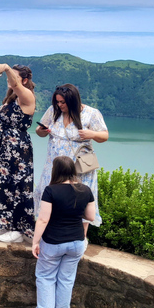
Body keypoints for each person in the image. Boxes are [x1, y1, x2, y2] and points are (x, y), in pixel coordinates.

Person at [34, 84, 108, 238]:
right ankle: (49, 234)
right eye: (58, 102)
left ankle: (81, 238)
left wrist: (91, 134)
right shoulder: (53, 110)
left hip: (79, 167)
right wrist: (41, 131)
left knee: (79, 199)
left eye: (63, 102)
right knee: (50, 198)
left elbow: (104, 136)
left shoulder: (91, 114)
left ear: (73, 100)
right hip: (54, 166)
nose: (60, 105)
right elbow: (40, 132)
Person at [30, 156, 95, 308]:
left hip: (53, 242)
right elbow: (91, 217)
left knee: (45, 277)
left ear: (55, 171)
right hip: (76, 243)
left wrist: (35, 242)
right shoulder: (85, 190)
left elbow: (43, 219)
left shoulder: (51, 190)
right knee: (66, 279)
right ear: (73, 170)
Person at [0, 64, 36, 243]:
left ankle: (19, 229)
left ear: (24, 80)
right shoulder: (10, 99)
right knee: (1, 184)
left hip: (16, 151)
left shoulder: (26, 96)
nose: (9, 80)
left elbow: (16, 85)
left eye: (13, 77)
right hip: (1, 149)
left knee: (16, 186)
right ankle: (6, 223)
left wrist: (5, 67)